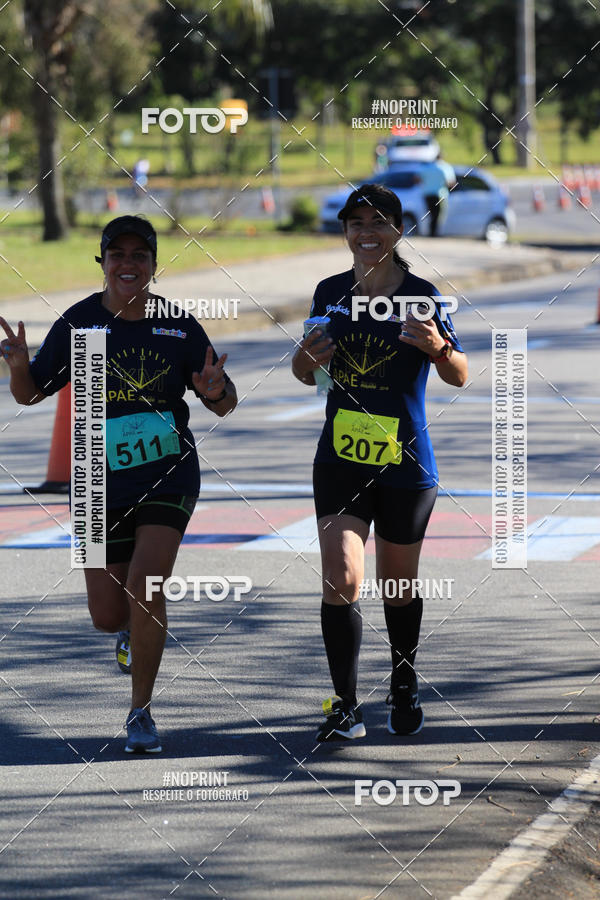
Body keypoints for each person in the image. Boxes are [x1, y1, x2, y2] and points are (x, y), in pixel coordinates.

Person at [0, 215, 237, 753]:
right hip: (91, 477)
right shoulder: (79, 322)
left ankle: (140, 712)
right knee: (108, 616)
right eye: (118, 255)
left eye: (140, 255)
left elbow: (224, 402)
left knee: (148, 586)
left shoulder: (177, 326)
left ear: (154, 265)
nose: (128, 264)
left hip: (166, 470)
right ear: (102, 262)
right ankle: (132, 630)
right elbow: (31, 394)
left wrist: (216, 390)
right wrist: (18, 366)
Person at [291, 184, 467, 741]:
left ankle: (404, 681)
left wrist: (438, 347)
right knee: (341, 577)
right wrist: (301, 360)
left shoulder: (421, 295)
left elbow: (460, 373)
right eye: (356, 221)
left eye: (379, 221)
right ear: (345, 231)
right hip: (341, 457)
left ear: (398, 230)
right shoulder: (329, 292)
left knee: (397, 585)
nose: (366, 231)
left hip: (406, 462)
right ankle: (344, 705)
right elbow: (306, 372)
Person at [420, 153, 456, 237]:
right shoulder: (445, 167)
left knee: (431, 213)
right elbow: (450, 182)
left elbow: (418, 179)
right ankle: (435, 233)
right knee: (439, 214)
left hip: (427, 194)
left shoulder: (427, 167)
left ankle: (431, 232)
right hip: (440, 194)